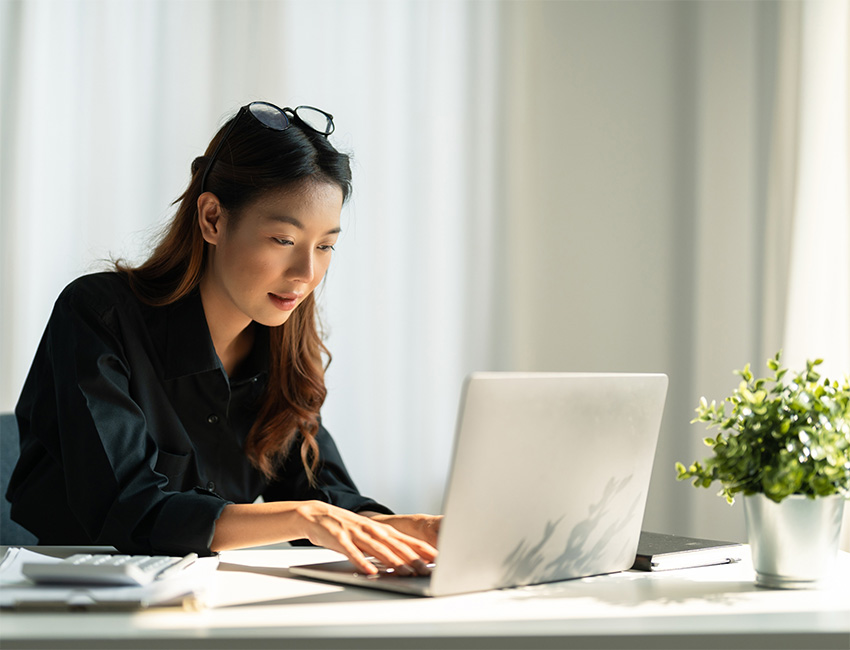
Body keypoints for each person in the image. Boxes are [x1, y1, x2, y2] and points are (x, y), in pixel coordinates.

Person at [7, 101, 439, 576]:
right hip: (74, 593)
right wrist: (302, 517)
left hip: (202, 593)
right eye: (284, 240)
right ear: (212, 218)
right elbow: (131, 508)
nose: (306, 273)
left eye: (325, 246)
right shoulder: (98, 314)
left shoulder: (281, 342)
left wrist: (412, 527)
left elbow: (321, 494)